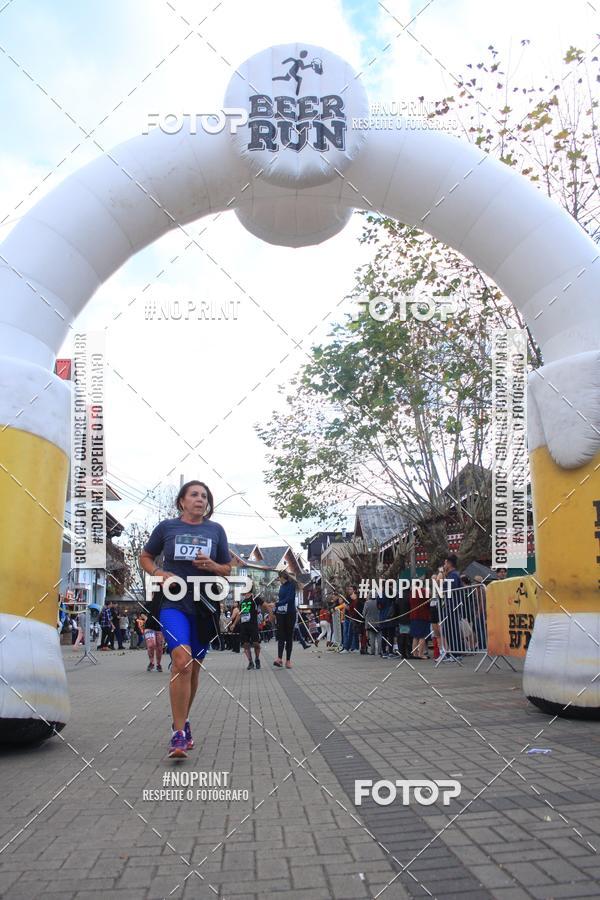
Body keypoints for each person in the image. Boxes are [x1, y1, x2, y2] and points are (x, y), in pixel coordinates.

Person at [140, 479, 232, 759]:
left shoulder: (215, 530)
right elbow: (145, 556)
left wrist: (213, 566)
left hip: (204, 606)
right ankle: (178, 734)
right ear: (182, 501)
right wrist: (158, 573)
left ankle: (184, 720)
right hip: (173, 602)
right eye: (194, 494)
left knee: (193, 668)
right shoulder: (167, 528)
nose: (200, 499)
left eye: (204, 496)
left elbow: (227, 568)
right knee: (182, 661)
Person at [239, 581, 268, 670]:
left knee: (256, 644)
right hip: (243, 626)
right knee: (246, 645)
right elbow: (240, 613)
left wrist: (269, 614)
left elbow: (265, 605)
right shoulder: (242, 601)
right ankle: (250, 662)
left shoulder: (255, 598)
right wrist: (233, 624)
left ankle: (257, 659)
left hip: (253, 625)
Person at [273, 572, 297, 669]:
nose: (279, 579)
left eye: (279, 577)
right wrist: (275, 611)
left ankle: (288, 660)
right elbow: (280, 600)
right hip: (281, 614)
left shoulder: (291, 585)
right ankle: (279, 659)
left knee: (289, 637)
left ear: (282, 577)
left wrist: (277, 604)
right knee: (281, 637)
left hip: (290, 614)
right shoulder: (281, 587)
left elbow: (289, 599)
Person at [144, 599, 165, 672]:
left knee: (159, 647)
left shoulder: (163, 604)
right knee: (151, 645)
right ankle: (151, 662)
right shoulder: (149, 604)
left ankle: (158, 664)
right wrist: (146, 618)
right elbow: (142, 613)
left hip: (159, 628)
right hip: (149, 627)